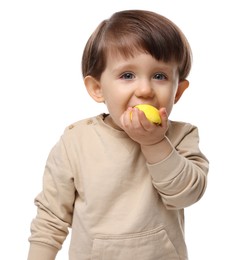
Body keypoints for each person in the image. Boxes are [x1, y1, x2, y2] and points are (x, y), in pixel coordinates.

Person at [27, 9, 209, 260]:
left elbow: (187, 194)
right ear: (97, 88)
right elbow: (51, 217)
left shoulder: (181, 135)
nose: (145, 89)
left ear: (178, 91)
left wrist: (155, 143)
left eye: (159, 76)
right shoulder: (75, 142)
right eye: (127, 75)